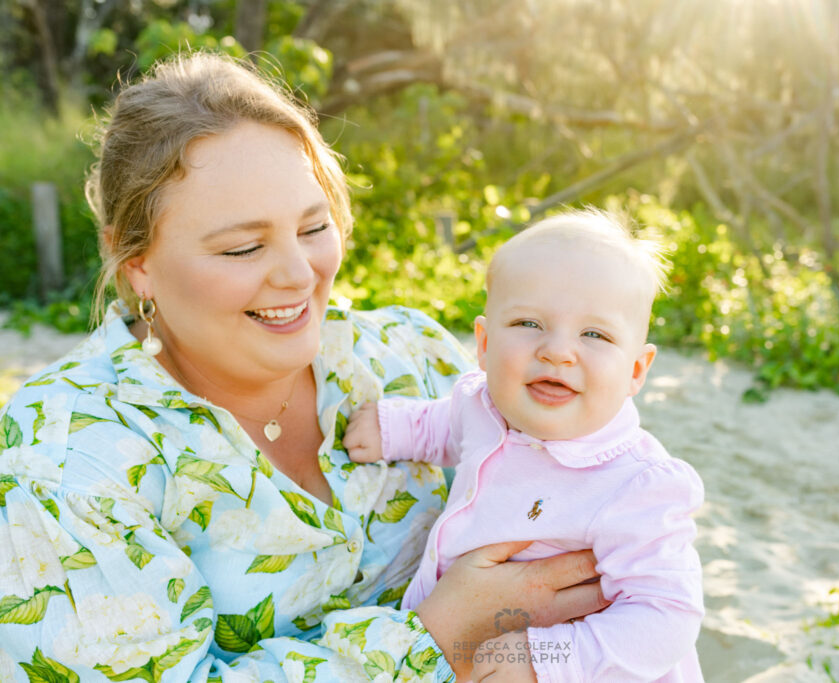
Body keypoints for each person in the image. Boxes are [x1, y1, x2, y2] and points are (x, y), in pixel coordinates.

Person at [0, 53, 608, 682]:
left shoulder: (413, 355)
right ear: (135, 262)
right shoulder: (62, 463)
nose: (299, 274)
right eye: (244, 246)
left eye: (313, 227)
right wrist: (444, 633)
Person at [343, 210, 706, 682]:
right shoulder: (482, 404)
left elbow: (668, 618)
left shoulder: (635, 484)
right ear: (485, 343)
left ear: (636, 370)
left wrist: (548, 658)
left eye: (594, 334)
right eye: (529, 323)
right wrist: (394, 428)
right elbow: (446, 426)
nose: (557, 350)